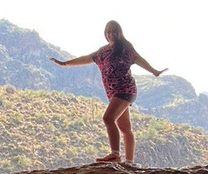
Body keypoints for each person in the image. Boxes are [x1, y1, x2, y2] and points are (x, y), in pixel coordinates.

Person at [50, 20, 166, 164]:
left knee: (108, 118)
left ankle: (115, 155)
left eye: (114, 31)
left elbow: (138, 59)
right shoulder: (102, 52)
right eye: (108, 31)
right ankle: (130, 163)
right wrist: (65, 63)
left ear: (119, 32)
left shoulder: (125, 47)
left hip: (125, 90)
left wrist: (153, 71)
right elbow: (86, 58)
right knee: (125, 127)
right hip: (114, 93)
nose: (111, 34)